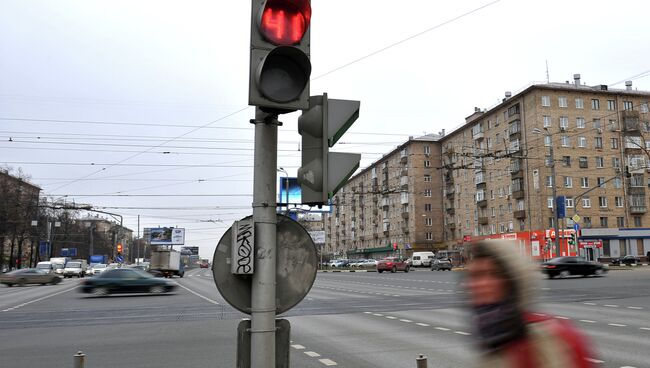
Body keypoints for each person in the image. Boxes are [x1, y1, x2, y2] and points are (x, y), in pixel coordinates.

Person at [465, 240, 595, 368]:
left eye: (493, 274)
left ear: (515, 279)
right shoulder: (490, 336)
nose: (479, 284)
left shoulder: (552, 339)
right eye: (474, 276)